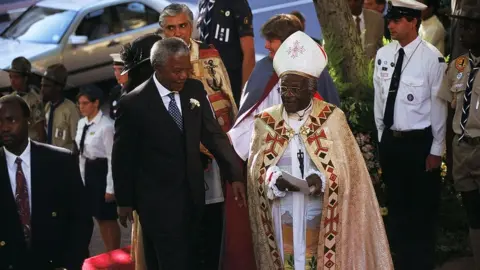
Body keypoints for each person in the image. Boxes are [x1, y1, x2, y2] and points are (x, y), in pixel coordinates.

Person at [244, 30, 393, 270]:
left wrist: (324, 180)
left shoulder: (331, 118)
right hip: (282, 211)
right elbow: (255, 172)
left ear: (311, 89)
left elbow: (351, 173)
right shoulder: (266, 121)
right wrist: (271, 179)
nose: (288, 96)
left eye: (295, 90)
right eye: (284, 89)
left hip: (320, 213)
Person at [112, 37, 245, 270]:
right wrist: (124, 200)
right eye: (176, 71)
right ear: (157, 68)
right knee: (171, 261)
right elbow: (123, 156)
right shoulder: (133, 104)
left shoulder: (194, 90)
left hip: (193, 197)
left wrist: (235, 174)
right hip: (156, 203)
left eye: (187, 69)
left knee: (193, 258)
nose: (183, 75)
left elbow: (213, 134)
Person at [373, 0, 447, 269]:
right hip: (392, 142)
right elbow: (380, 103)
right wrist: (383, 139)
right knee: (397, 210)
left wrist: (436, 149)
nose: (390, 25)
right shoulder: (384, 55)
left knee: (422, 213)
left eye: (396, 20)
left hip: (420, 145)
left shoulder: (432, 58)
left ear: (413, 21)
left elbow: (438, 106)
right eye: (389, 20)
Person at [228, 14, 340, 161]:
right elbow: (249, 117)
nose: (266, 46)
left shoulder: (316, 71)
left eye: (271, 40)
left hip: (312, 155)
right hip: (270, 156)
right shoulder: (262, 69)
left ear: (289, 42)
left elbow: (330, 117)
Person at [0, 95, 93, 270]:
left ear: (28, 121)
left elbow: (81, 219)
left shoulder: (60, 161)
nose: (4, 127)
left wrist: (70, 264)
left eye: (11, 120)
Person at [437, 2, 480, 268]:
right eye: (461, 26)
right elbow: (447, 111)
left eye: (469, 27)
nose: (462, 32)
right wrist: (449, 155)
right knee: (473, 213)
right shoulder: (459, 65)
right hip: (462, 149)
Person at [75, 86, 120, 252]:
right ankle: (108, 252)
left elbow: (111, 158)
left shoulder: (107, 126)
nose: (81, 107)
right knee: (98, 217)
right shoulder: (82, 124)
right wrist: (81, 178)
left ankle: (113, 251)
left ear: (96, 103)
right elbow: (81, 153)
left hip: (102, 173)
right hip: (89, 171)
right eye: (79, 104)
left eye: (85, 103)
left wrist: (110, 188)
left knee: (107, 217)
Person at [197, 0, 255, 105]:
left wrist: (245, 94)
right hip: (207, 81)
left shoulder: (237, 3)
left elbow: (249, 52)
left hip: (231, 85)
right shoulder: (203, 2)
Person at [3, 57, 46, 142]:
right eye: (11, 77)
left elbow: (41, 133)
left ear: (25, 78)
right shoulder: (10, 98)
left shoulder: (34, 100)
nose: (12, 81)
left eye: (16, 77)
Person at [42, 64, 80, 151]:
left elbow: (77, 141)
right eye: (42, 85)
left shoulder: (70, 109)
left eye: (46, 86)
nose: (42, 90)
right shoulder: (48, 107)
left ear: (58, 87)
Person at [106, 53, 128, 119]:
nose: (117, 74)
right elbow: (112, 115)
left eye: (120, 69)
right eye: (115, 70)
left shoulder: (139, 88)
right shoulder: (115, 91)